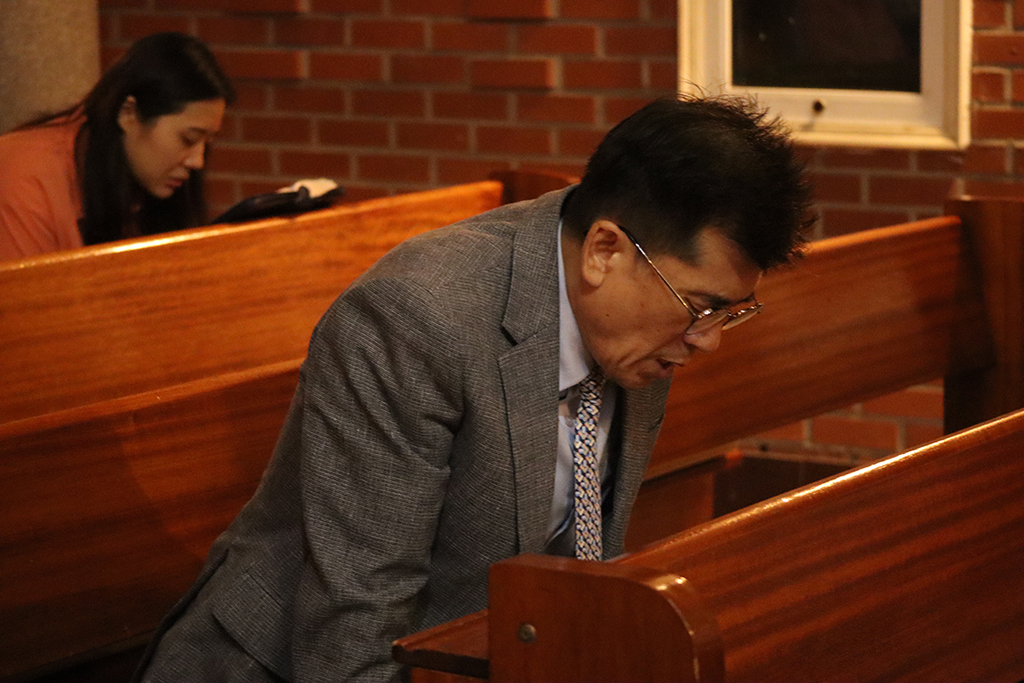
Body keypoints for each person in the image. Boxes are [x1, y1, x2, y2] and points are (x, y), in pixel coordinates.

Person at [133, 95, 814, 682]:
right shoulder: (418, 318)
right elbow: (355, 618)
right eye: (700, 307)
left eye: (728, 313)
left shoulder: (637, 321)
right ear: (605, 251)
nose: (707, 340)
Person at [0, 32, 234, 261]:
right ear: (128, 113)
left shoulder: (149, 182)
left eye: (207, 143)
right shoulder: (25, 176)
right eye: (188, 139)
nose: (197, 161)